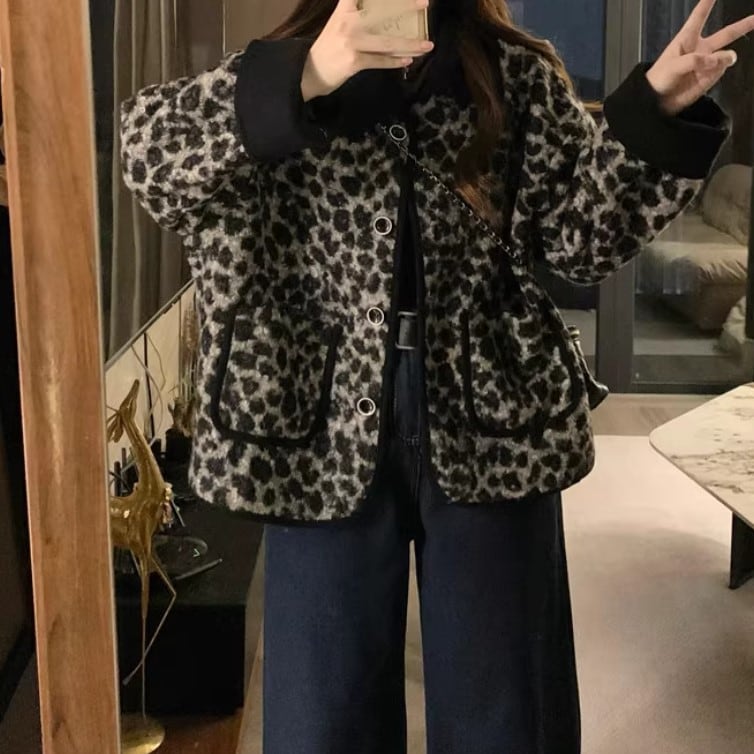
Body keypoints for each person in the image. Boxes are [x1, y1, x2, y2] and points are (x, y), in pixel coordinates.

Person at [120, 1, 753, 751]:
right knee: (324, 712)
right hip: (312, 422)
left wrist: (655, 111)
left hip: (493, 410)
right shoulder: (289, 61)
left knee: (507, 708)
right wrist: (309, 75)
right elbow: (148, 156)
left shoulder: (512, 73)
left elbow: (580, 242)